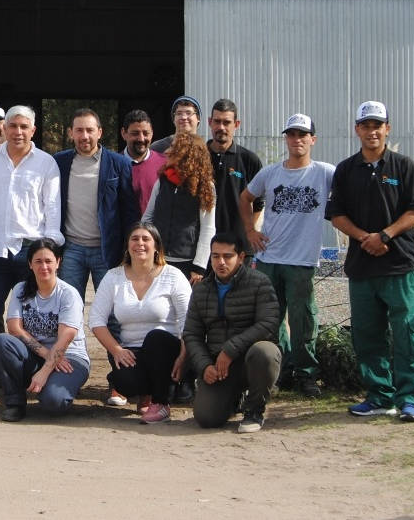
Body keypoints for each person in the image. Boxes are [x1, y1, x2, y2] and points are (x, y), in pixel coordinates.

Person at [325, 100, 414, 422]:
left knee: (407, 335)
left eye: (377, 125)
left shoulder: (404, 166)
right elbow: (336, 214)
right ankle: (379, 396)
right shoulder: (345, 169)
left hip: (399, 266)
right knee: (367, 335)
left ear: (387, 128)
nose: (372, 131)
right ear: (357, 129)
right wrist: (363, 238)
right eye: (366, 125)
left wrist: (384, 235)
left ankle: (410, 399)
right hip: (362, 267)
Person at [241, 113, 334, 397]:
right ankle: (278, 370)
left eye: (302, 134)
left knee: (304, 319)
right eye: (292, 135)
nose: (297, 140)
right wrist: (250, 231)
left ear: (313, 139)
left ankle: (306, 374)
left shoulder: (325, 173)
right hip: (269, 259)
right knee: (271, 319)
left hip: (302, 261)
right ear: (286, 139)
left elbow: (351, 192)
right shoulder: (270, 173)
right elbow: (246, 198)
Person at [88, 222, 191, 423]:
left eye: (146, 239)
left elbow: (189, 320)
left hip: (168, 350)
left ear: (157, 247)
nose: (140, 244)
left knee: (155, 338)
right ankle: (148, 394)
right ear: (127, 245)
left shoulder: (173, 276)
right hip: (133, 350)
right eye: (134, 239)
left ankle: (161, 404)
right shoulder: (113, 276)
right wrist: (116, 350)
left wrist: (183, 356)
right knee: (121, 380)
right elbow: (96, 319)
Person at [0, 105, 64, 336]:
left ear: (33, 130)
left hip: (30, 250)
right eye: (13, 126)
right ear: (5, 128)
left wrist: (50, 246)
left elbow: (53, 207)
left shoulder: (46, 163)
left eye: (24, 127)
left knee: (32, 314)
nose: (18, 132)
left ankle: (29, 368)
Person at [183, 233, 281, 433]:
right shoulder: (201, 290)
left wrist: (230, 349)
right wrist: (204, 366)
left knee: (265, 352)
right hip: (218, 367)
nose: (220, 262)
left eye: (227, 256)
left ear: (241, 257)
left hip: (250, 359)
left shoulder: (260, 282)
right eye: (215, 256)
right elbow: (192, 334)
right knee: (206, 418)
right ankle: (235, 399)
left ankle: (254, 410)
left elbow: (268, 323)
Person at [0, 238, 90, 421]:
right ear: (30, 264)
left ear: (58, 262)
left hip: (69, 357)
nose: (44, 266)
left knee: (53, 402)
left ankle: (56, 388)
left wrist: (45, 372)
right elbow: (14, 328)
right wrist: (46, 357)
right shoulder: (21, 289)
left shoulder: (68, 294)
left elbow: (66, 337)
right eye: (38, 261)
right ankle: (15, 403)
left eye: (48, 261)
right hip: (37, 355)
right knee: (1, 342)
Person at [54, 108, 138, 297]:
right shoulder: (59, 162)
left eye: (90, 130)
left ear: (99, 132)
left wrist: (128, 249)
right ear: (70, 133)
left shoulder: (119, 164)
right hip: (71, 249)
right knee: (70, 306)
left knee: (112, 308)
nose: (85, 136)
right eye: (79, 130)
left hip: (106, 249)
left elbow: (129, 211)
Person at [142, 131, 216, 283]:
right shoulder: (163, 180)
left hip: (187, 263)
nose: (167, 152)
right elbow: (148, 218)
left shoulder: (205, 186)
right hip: (157, 259)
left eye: (174, 149)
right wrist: (144, 248)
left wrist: (199, 266)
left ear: (188, 154)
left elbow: (208, 229)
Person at [206, 99, 263, 255]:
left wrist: (247, 231)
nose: (221, 127)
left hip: (239, 249)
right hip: (203, 249)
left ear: (236, 124)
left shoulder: (249, 160)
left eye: (227, 122)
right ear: (210, 122)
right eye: (217, 121)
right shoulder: (198, 157)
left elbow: (258, 203)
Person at [120, 109, 167, 213]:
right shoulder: (113, 165)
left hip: (156, 229)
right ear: (124, 133)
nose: (141, 139)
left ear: (152, 133)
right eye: (135, 133)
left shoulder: (165, 164)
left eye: (146, 133)